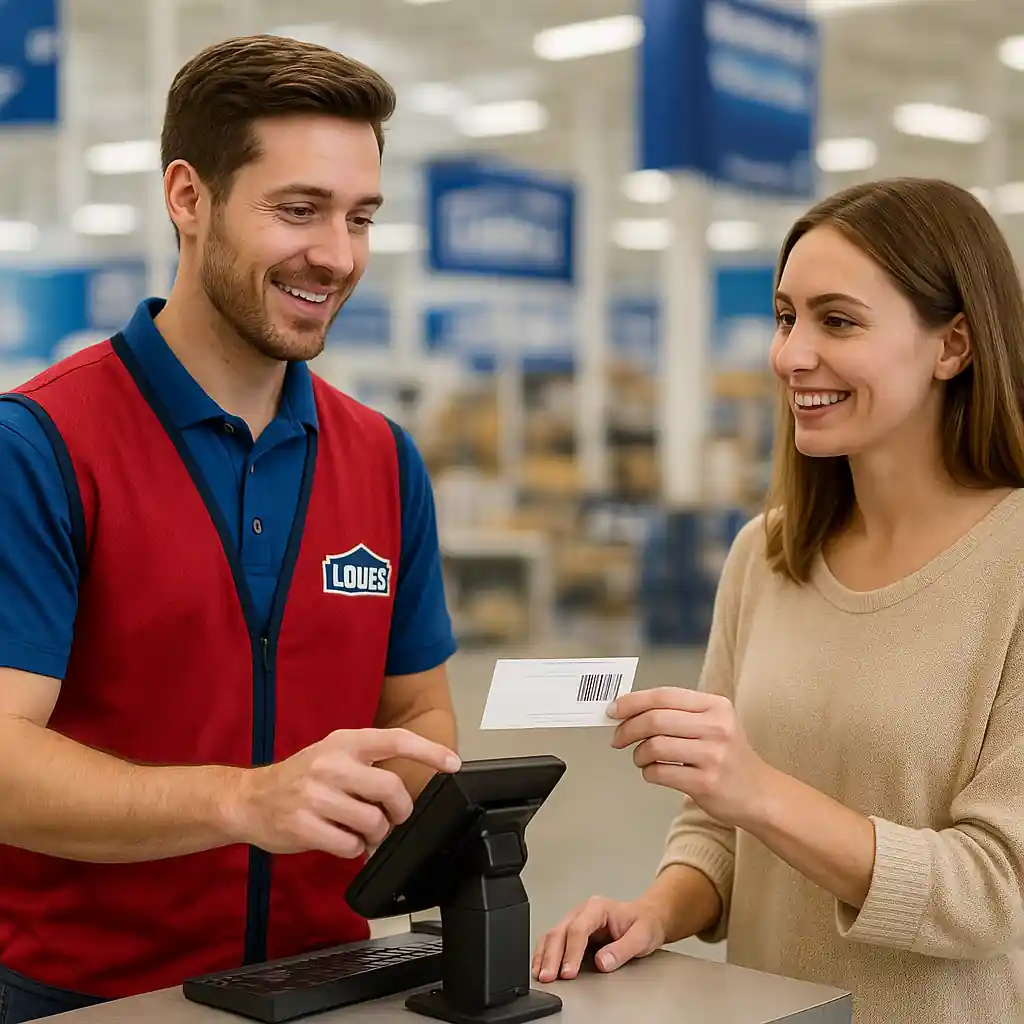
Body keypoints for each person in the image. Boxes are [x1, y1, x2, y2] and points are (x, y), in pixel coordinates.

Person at [0, 35, 462, 1023]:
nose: (336, 254)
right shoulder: (41, 445)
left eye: (360, 217)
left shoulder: (381, 459)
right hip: (81, 997)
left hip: (329, 985)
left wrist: (413, 799)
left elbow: (419, 711)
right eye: (298, 210)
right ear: (187, 196)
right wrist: (240, 799)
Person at [534, 178, 1024, 1024]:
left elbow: (993, 891)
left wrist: (758, 789)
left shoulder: (1010, 569)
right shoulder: (765, 555)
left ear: (953, 346)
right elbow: (718, 829)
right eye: (785, 316)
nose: (792, 354)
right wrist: (659, 912)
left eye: (838, 320)